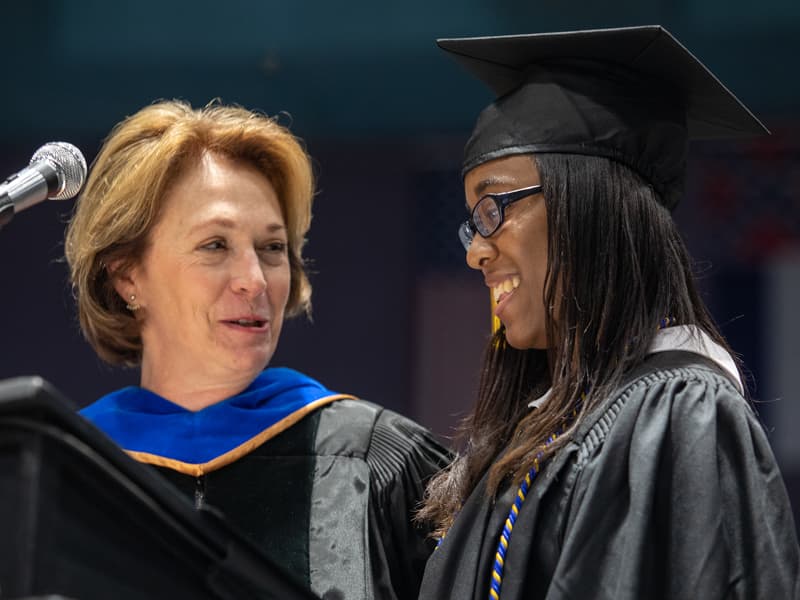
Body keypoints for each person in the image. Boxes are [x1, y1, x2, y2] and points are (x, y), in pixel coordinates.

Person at [417, 25, 800, 599]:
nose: (476, 250)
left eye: (493, 208)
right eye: (472, 221)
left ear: (590, 207)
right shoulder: (547, 431)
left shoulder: (676, 417)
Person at [64, 99, 450, 600]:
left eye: (272, 249)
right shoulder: (68, 472)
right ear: (127, 276)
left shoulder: (375, 463)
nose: (254, 280)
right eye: (215, 245)